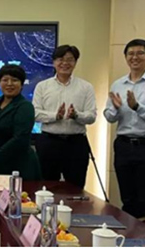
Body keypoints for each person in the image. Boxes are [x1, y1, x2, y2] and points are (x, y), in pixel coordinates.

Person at [104, 39, 145, 218]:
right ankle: (129, 234)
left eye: (140, 53)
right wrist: (116, 108)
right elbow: (109, 117)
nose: (135, 57)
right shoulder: (118, 84)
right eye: (130, 54)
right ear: (125, 57)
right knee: (127, 198)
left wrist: (137, 107)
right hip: (123, 145)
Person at [33, 45, 97, 189]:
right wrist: (55, 116)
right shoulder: (42, 86)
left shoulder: (86, 87)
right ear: (54, 62)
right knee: (46, 186)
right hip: (48, 142)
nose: (65, 63)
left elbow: (92, 116)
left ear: (75, 62)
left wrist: (76, 115)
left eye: (70, 59)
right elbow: (35, 114)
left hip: (76, 143)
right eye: (60, 59)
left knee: (76, 187)